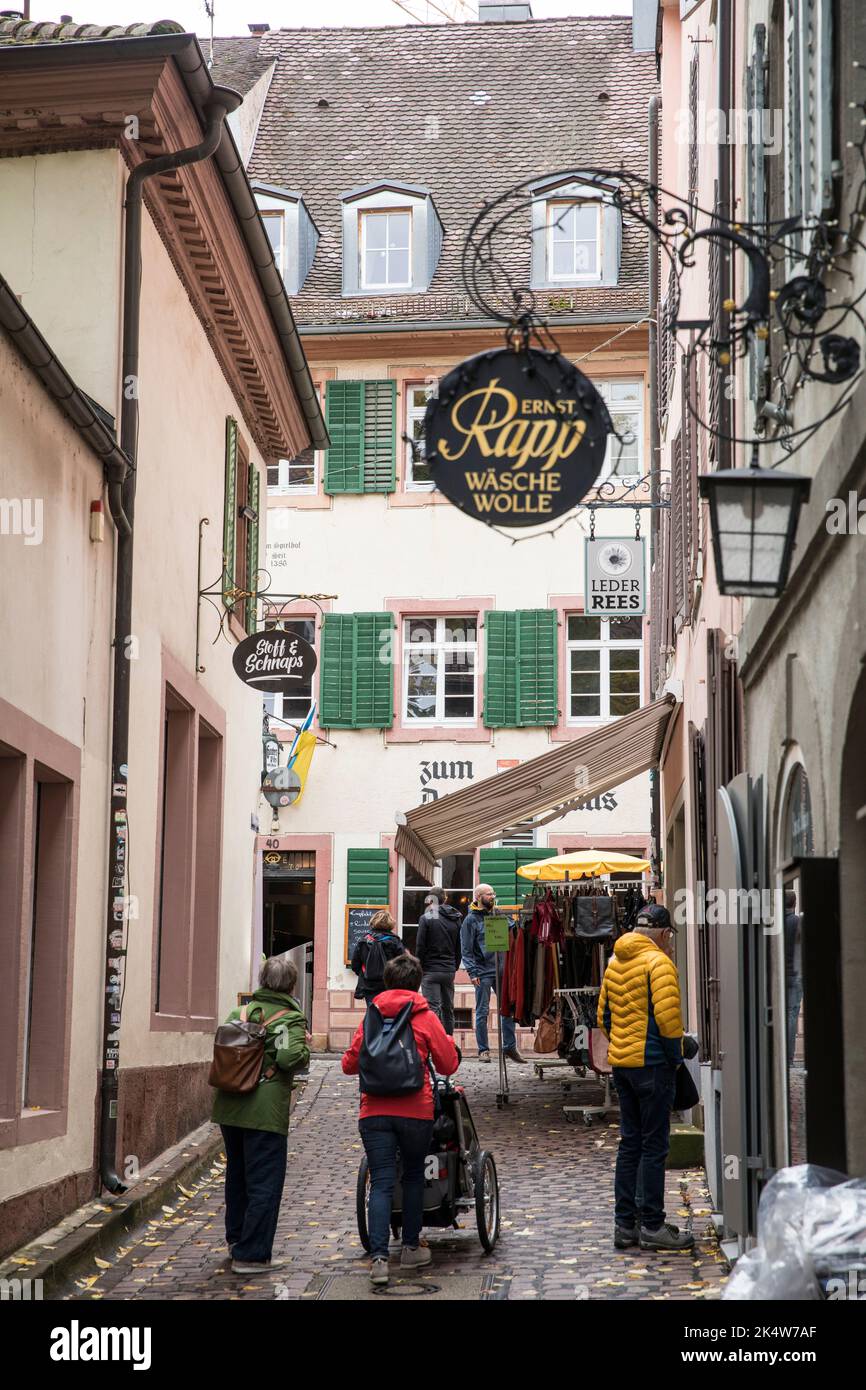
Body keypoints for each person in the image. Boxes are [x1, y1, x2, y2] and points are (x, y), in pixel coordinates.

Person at [342, 952, 460, 1288]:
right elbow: (448, 1064)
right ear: (417, 982)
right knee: (411, 1176)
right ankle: (411, 1247)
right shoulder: (424, 1015)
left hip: (374, 1112)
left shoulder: (372, 1015)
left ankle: (379, 1259)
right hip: (416, 1111)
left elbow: (349, 1065)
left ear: (388, 981)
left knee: (380, 1182)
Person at [597, 903, 694, 1253]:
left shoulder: (614, 961)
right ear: (665, 934)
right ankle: (652, 1225)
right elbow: (669, 1025)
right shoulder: (659, 963)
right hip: (652, 1065)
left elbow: (603, 1017)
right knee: (654, 1147)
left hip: (621, 1065)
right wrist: (676, 1058)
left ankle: (625, 1225)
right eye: (670, 937)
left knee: (630, 1144)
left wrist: (622, 1046)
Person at [211, 954, 311, 1275]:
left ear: (263, 980)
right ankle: (251, 1254)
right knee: (265, 1180)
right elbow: (288, 1057)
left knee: (237, 1175)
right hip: (263, 1110)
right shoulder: (289, 1018)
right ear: (291, 984)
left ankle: (236, 1238)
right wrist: (304, 1045)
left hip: (229, 1106)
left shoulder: (238, 1011)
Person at [460, 882, 526, 1064]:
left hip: (503, 970)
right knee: (482, 1011)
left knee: (507, 1008)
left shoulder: (498, 914)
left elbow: (515, 929)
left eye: (493, 894)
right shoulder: (470, 920)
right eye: (489, 894)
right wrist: (472, 973)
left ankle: (510, 1047)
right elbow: (466, 949)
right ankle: (484, 1050)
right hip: (482, 971)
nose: (492, 897)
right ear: (478, 897)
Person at [416, 888, 463, 1035]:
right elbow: (458, 946)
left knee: (432, 1009)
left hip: (430, 970)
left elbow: (420, 946)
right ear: (445, 898)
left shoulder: (426, 918)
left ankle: (431, 1045)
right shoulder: (455, 918)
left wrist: (420, 967)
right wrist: (454, 966)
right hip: (448, 970)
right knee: (448, 1008)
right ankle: (448, 1044)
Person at [350, 909, 404, 1005]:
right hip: (389, 984)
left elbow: (355, 965)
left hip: (369, 985)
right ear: (390, 923)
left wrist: (367, 973)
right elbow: (403, 964)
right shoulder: (394, 941)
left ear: (373, 921)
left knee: (373, 1013)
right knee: (389, 1013)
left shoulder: (364, 940)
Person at [784, 889, 803, 1061]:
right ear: (794, 903)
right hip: (796, 974)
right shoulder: (798, 922)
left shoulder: (776, 923)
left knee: (781, 1014)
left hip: (780, 975)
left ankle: (781, 1055)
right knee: (792, 1014)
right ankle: (789, 1057)